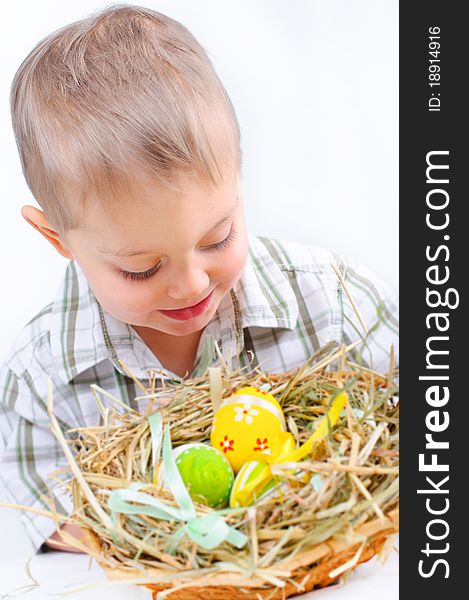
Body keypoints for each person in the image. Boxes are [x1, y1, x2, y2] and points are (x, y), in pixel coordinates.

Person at [0, 4, 398, 555]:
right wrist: (183, 540)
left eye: (217, 239)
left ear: (238, 178)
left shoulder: (329, 301)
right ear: (58, 240)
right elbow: (42, 507)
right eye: (141, 268)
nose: (190, 285)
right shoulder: (42, 378)